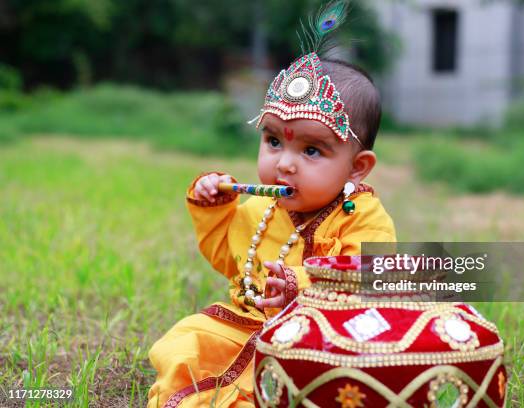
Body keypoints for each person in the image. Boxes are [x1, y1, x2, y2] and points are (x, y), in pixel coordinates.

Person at [147, 16, 397, 408]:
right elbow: (231, 259)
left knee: (323, 382)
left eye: (311, 150)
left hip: (322, 337)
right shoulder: (264, 206)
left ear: (357, 167)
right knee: (187, 339)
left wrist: (300, 284)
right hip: (246, 325)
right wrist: (215, 210)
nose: (285, 164)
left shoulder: (362, 216)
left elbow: (369, 281)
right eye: (274, 140)